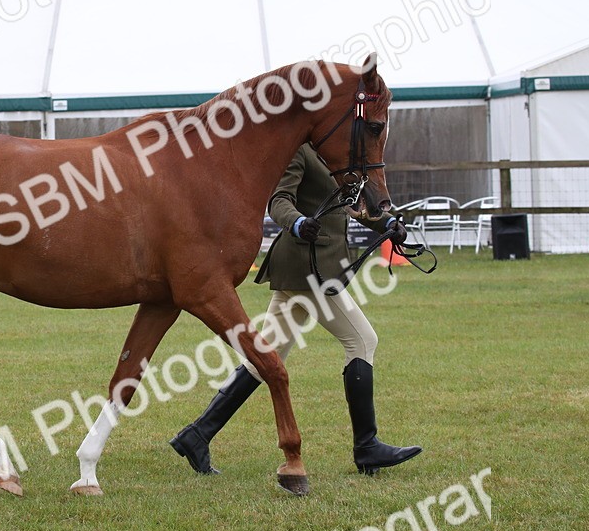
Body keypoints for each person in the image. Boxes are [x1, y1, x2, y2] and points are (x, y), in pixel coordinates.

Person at [170, 144, 422, 476]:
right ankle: (367, 446)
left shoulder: (335, 154)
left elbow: (351, 207)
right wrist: (298, 222)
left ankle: (197, 435)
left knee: (267, 356)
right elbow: (279, 201)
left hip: (314, 266)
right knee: (362, 340)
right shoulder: (299, 151)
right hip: (308, 267)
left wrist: (386, 224)